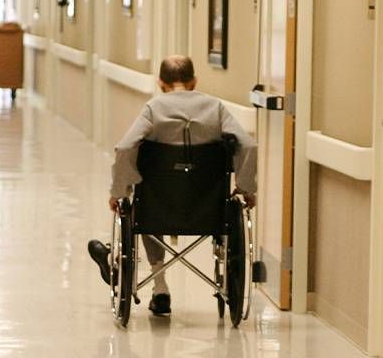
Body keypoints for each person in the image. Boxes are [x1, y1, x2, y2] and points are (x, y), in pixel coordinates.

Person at [88, 55, 257, 317]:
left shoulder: (154, 109)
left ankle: (159, 287)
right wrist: (246, 189)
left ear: (160, 83)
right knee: (148, 200)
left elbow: (124, 148)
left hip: (157, 208)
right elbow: (247, 145)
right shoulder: (215, 108)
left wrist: (119, 193)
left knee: (143, 202)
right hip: (209, 208)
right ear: (194, 82)